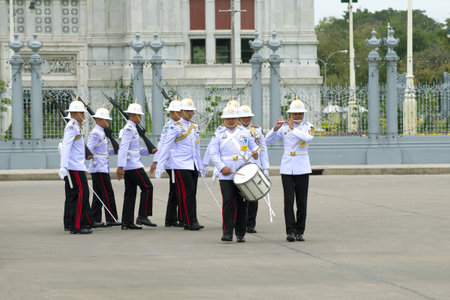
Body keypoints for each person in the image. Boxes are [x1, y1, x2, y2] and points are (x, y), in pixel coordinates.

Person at [265, 97, 315, 242]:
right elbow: (267, 140)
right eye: (295, 113)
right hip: (287, 166)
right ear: (290, 113)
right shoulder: (284, 127)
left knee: (301, 201)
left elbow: (307, 138)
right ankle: (290, 231)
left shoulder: (308, 126)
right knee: (288, 200)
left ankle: (300, 230)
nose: (298, 116)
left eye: (300, 113)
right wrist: (275, 128)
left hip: (302, 166)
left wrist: (293, 128)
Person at [209, 105, 259, 243]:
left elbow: (254, 146)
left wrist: (255, 152)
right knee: (228, 202)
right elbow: (213, 154)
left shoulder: (245, 132)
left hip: (242, 172)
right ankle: (227, 232)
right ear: (223, 119)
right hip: (226, 173)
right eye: (227, 118)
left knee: (242, 204)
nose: (230, 121)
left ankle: (241, 233)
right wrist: (221, 167)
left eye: (233, 118)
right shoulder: (218, 134)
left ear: (237, 118)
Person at [154, 97, 204, 231]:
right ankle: (189, 221)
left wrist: (200, 166)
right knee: (187, 192)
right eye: (187, 111)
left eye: (191, 111)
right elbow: (165, 146)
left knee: (192, 193)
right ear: (180, 112)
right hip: (180, 164)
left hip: (192, 164)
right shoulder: (175, 127)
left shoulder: (194, 126)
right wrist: (159, 165)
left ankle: (191, 220)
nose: (190, 113)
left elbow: (196, 148)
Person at [117, 102, 157, 230]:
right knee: (147, 187)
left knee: (130, 193)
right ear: (133, 115)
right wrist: (120, 166)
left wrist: (149, 151)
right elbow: (123, 148)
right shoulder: (129, 129)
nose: (141, 117)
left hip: (131, 163)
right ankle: (142, 216)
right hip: (133, 165)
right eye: (139, 115)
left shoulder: (133, 128)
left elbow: (136, 149)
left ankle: (126, 222)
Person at [59, 100, 92, 234]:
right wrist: (63, 166)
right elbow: (66, 147)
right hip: (74, 167)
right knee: (82, 194)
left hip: (78, 166)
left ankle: (78, 223)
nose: (84, 116)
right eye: (82, 113)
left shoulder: (76, 126)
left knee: (81, 195)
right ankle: (78, 226)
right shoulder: (72, 127)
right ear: (75, 113)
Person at [150, 99, 184, 227]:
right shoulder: (170, 126)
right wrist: (156, 161)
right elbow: (162, 145)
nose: (181, 114)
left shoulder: (181, 125)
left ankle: (174, 218)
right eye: (178, 112)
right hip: (172, 164)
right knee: (175, 190)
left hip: (178, 162)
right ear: (172, 113)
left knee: (177, 190)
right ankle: (171, 219)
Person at [238, 104, 270, 234]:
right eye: (243, 117)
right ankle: (240, 222)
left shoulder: (257, 130)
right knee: (240, 197)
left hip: (254, 166)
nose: (246, 119)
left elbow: (263, 149)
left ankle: (251, 224)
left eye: (248, 117)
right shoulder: (235, 130)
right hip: (240, 166)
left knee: (254, 195)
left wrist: (265, 168)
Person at [87, 107, 121, 227]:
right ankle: (111, 218)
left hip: (102, 166)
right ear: (100, 120)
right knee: (107, 193)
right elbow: (89, 148)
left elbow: (103, 150)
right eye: (107, 120)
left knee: (99, 195)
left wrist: (114, 151)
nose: (109, 122)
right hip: (98, 167)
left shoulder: (102, 132)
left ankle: (94, 219)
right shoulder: (96, 133)